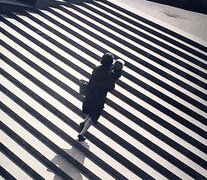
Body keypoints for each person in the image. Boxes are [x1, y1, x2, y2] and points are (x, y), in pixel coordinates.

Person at [78, 52, 115, 141]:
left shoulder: (97, 68)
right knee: (93, 116)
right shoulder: (109, 73)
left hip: (91, 93)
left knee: (90, 112)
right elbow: (111, 87)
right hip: (99, 97)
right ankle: (81, 134)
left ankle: (83, 123)